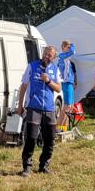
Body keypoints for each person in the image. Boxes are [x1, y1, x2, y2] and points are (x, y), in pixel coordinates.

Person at [17, 46, 62, 176]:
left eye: (50, 55)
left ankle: (44, 165)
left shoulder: (55, 69)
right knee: (31, 138)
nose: (47, 56)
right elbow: (24, 86)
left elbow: (58, 88)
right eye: (45, 54)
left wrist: (48, 81)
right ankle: (27, 167)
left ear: (53, 58)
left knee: (50, 139)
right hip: (33, 107)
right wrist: (20, 105)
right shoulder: (32, 66)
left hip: (49, 109)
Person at [57, 40, 76, 106]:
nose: (69, 49)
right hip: (66, 82)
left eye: (69, 47)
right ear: (63, 47)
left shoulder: (65, 58)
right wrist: (72, 45)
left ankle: (67, 116)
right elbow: (73, 52)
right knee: (68, 104)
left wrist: (74, 82)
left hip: (68, 82)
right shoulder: (63, 56)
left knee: (71, 104)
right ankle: (64, 116)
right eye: (68, 47)